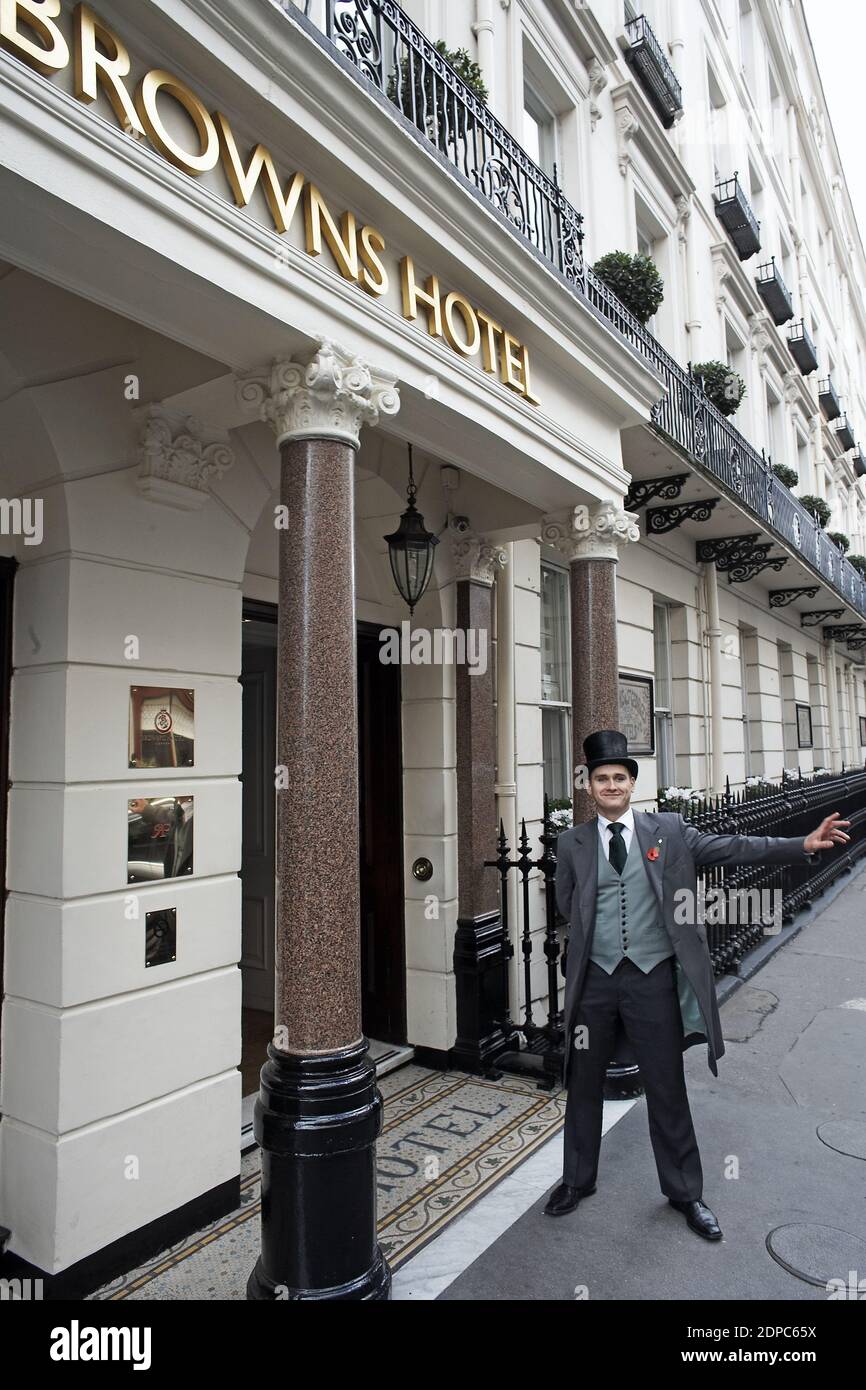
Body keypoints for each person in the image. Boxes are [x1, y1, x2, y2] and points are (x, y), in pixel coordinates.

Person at [545, 729, 851, 1239]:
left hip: (652, 981)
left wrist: (802, 843)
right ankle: (577, 1180)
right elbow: (567, 904)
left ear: (632, 783)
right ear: (589, 786)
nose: (612, 785)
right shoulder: (571, 843)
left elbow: (735, 847)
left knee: (666, 1085)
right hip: (595, 982)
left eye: (620, 777)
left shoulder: (668, 831)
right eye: (602, 778)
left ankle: (686, 1193)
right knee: (582, 1083)